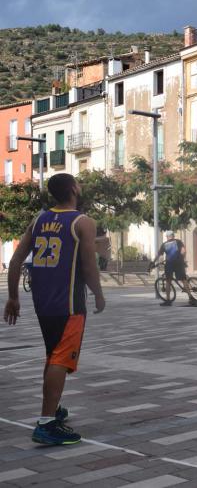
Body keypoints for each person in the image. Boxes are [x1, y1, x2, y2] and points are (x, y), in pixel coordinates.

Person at [3, 173, 106, 445]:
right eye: (78, 183)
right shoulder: (83, 222)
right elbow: (88, 265)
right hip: (69, 302)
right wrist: (98, 293)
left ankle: (54, 406)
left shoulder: (38, 220)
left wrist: (13, 297)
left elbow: (15, 261)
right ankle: (46, 422)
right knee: (61, 359)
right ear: (73, 189)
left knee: (53, 355)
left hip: (42, 301)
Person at [153, 231, 186, 306]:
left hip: (169, 264)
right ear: (173, 236)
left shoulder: (164, 245)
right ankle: (191, 298)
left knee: (168, 281)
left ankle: (168, 300)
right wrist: (182, 259)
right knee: (184, 280)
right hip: (179, 263)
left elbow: (159, 255)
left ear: (167, 237)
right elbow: (183, 251)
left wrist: (153, 262)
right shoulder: (178, 241)